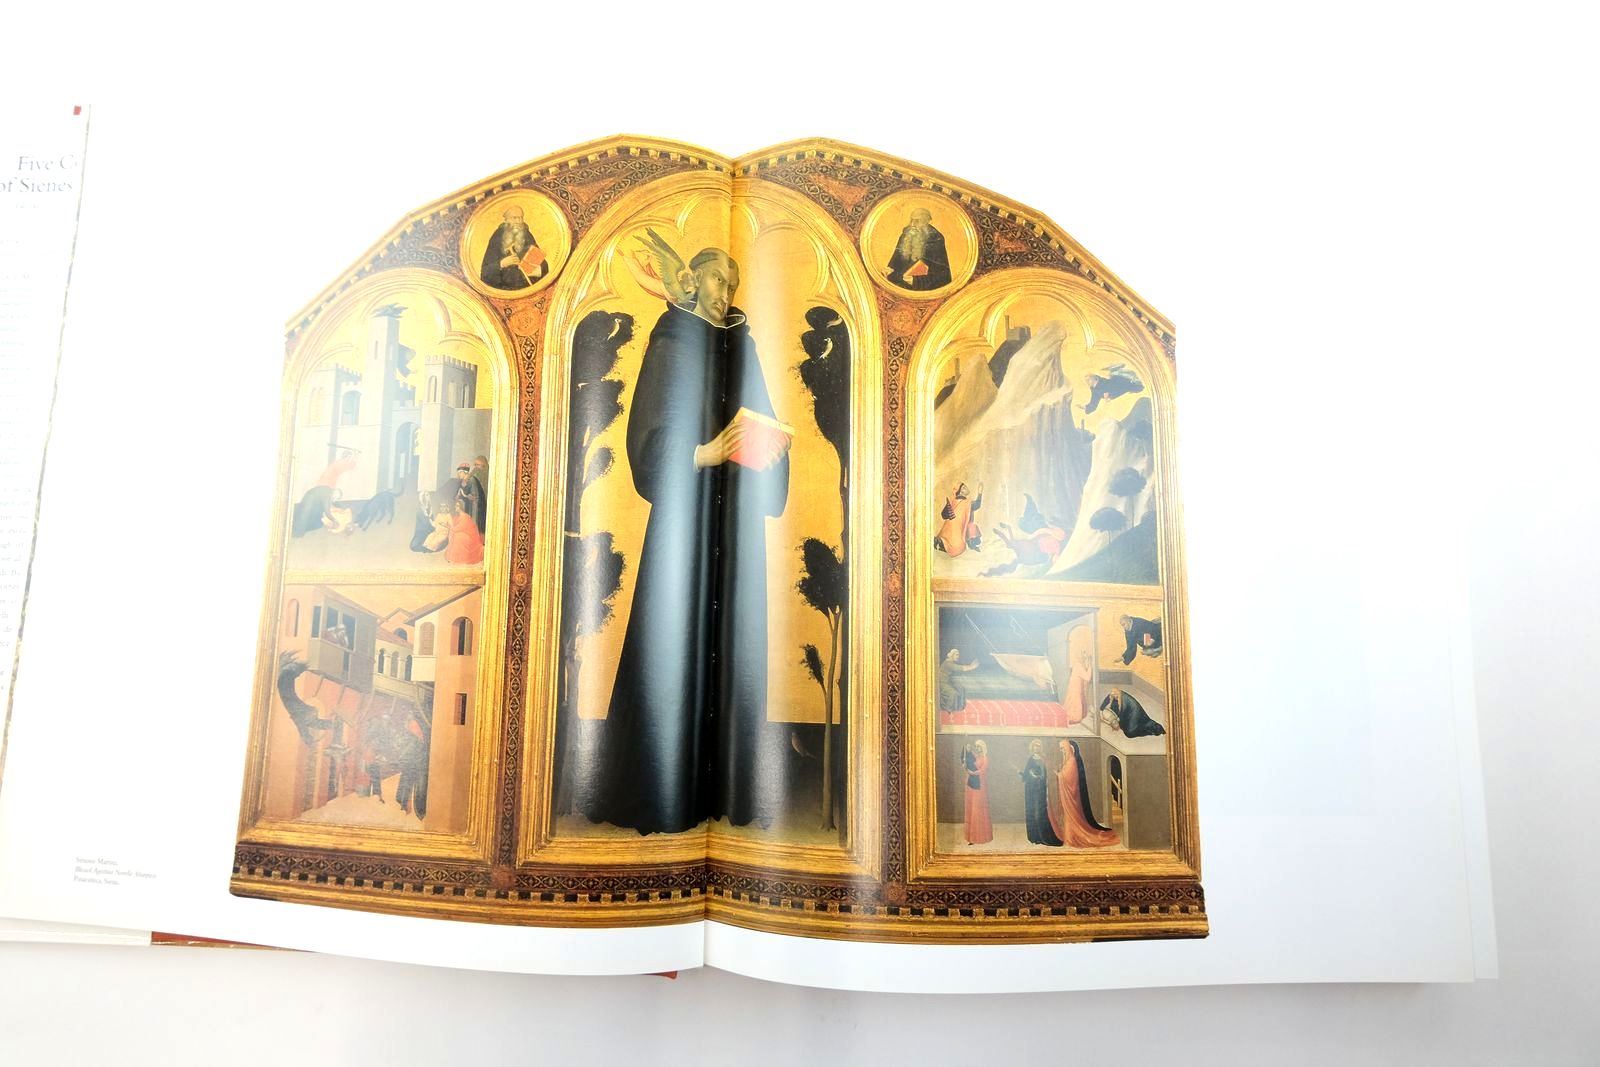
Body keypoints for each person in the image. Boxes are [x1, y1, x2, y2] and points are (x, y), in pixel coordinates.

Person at [588, 248, 791, 835]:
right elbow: (648, 433)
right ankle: (659, 792)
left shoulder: (743, 346)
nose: (725, 291)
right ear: (693, 281)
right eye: (716, 278)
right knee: (671, 636)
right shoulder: (673, 340)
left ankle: (724, 788)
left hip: (737, 520)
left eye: (734, 282)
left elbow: (766, 420)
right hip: (684, 520)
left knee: (734, 640)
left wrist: (770, 446)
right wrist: (705, 452)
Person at [1051, 739, 1119, 848]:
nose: (1062, 751)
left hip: (1071, 798)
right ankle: (1070, 836)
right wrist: (1060, 772)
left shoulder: (1072, 761)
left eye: (1063, 748)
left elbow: (1070, 780)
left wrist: (1058, 775)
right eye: (1061, 749)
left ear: (1068, 748)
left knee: (1072, 818)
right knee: (1068, 818)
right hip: (1069, 797)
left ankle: (1073, 836)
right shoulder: (1068, 760)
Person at [478, 205, 549, 290]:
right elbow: (485, 271)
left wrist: (534, 270)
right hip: (505, 290)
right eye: (514, 218)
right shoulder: (497, 237)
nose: (518, 221)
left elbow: (543, 265)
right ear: (507, 220)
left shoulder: (527, 236)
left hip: (527, 288)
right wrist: (502, 264)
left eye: (521, 218)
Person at [884, 207, 952, 291]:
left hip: (920, 290)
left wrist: (916, 281)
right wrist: (890, 269)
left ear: (926, 222)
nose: (912, 224)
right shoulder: (906, 235)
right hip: (900, 284)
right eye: (911, 220)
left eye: (916, 221)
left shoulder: (935, 239)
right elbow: (896, 262)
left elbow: (942, 276)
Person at [1020, 739, 1062, 846]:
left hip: (1041, 789)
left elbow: (1045, 775)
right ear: (1032, 747)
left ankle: (1043, 836)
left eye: (1038, 746)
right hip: (1031, 789)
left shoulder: (1043, 759)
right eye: (1035, 746)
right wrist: (1027, 774)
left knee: (1040, 813)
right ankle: (1034, 837)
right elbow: (1026, 775)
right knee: (1032, 812)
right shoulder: (1030, 759)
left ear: (1040, 748)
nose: (1036, 748)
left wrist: (1037, 777)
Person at [934, 483, 983, 557]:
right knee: (959, 547)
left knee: (971, 527)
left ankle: (940, 543)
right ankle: (941, 544)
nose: (966, 488)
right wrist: (980, 493)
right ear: (960, 491)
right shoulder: (967, 503)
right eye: (964, 487)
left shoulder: (953, 501)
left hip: (948, 531)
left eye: (965, 486)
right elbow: (977, 505)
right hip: (954, 531)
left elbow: (943, 515)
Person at [1100, 687, 1166, 738]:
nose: (1114, 697)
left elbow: (1121, 715)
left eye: (1116, 696)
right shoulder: (1114, 695)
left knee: (1130, 732)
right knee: (1114, 707)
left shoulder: (1125, 701)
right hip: (1126, 713)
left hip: (1134, 712)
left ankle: (1157, 729)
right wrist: (1101, 709)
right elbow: (1108, 699)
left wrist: (1116, 721)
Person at [962, 739, 993, 845]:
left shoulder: (985, 758)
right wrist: (965, 763)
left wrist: (972, 773)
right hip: (971, 785)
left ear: (983, 747)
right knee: (972, 809)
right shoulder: (976, 756)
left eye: (979, 746)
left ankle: (980, 837)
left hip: (980, 787)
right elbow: (967, 757)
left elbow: (982, 771)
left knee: (978, 810)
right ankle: (972, 838)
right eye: (977, 746)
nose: (978, 748)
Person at [444, 499, 484, 565]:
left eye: (457, 506)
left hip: (470, 538)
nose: (455, 507)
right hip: (463, 534)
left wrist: (447, 526)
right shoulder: (457, 516)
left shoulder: (465, 517)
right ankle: (453, 556)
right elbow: (453, 525)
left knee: (458, 536)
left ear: (461, 507)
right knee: (454, 534)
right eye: (455, 505)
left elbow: (456, 528)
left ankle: (458, 558)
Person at [1062, 649, 1093, 725]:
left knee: (1077, 708)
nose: (1084, 657)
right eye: (1083, 655)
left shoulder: (1078, 665)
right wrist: (1090, 665)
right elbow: (1087, 677)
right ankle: (1071, 719)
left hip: (1076, 689)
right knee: (1075, 713)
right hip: (1075, 690)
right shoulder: (1078, 666)